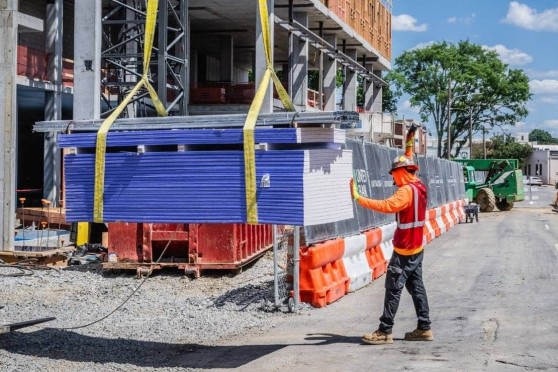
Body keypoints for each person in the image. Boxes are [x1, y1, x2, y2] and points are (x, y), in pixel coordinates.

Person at [349, 125, 433, 345]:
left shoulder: (404, 192)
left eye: (394, 175)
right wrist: (408, 140)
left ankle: (384, 330)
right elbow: (408, 158)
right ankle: (424, 327)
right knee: (416, 287)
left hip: (404, 250)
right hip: (417, 249)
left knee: (393, 288)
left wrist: (358, 198)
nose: (393, 179)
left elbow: (385, 205)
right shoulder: (419, 185)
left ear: (400, 173)